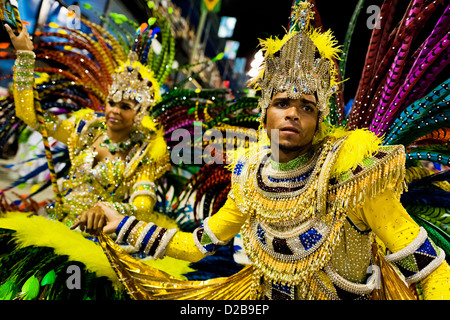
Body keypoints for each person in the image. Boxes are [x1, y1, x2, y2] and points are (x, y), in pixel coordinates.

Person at [73, 1, 450, 300]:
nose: (293, 114)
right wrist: (121, 224)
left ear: (319, 119)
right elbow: (196, 245)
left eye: (306, 107)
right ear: (264, 112)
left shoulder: (353, 178)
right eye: (283, 102)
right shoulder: (250, 178)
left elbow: (431, 269)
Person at [5, 23, 173, 228]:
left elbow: (143, 207)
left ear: (140, 113)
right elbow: (29, 114)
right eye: (112, 102)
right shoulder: (84, 131)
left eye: (125, 106)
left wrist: (105, 210)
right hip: (58, 221)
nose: (115, 111)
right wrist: (24, 55)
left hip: (97, 237)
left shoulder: (142, 155)